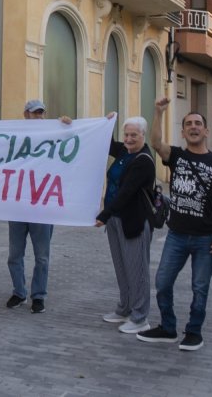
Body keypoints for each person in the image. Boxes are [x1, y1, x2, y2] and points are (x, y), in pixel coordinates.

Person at [137, 97, 212, 350]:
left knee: (199, 287)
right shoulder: (177, 156)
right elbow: (156, 142)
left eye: (198, 123)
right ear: (183, 131)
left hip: (206, 237)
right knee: (163, 282)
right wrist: (158, 112)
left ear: (205, 130)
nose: (193, 127)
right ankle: (168, 327)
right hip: (176, 235)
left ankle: (194, 331)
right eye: (188, 123)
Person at [0, 99, 72, 314]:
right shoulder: (14, 135)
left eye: (42, 113)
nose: (39, 117)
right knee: (15, 255)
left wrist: (68, 127)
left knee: (42, 256)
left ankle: (38, 296)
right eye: (35, 113)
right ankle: (19, 292)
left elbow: (72, 146)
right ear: (26, 114)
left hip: (42, 207)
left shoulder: (52, 135)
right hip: (18, 206)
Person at [95, 116, 156, 331]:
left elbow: (126, 192)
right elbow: (108, 144)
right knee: (122, 266)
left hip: (133, 221)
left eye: (134, 135)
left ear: (143, 135)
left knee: (137, 269)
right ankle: (125, 309)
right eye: (126, 135)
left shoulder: (143, 160)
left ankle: (140, 318)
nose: (129, 139)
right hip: (116, 220)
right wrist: (109, 122)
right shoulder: (124, 151)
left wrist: (104, 214)